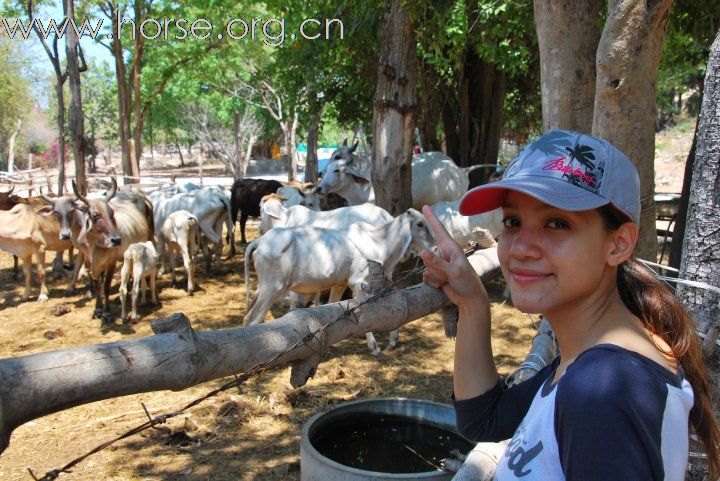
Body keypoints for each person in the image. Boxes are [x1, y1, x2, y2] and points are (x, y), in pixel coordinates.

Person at [420, 130, 720, 480]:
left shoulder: (602, 390)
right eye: (513, 222)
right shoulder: (593, 355)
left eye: (557, 223)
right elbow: (485, 419)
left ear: (618, 244)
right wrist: (472, 301)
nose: (520, 247)